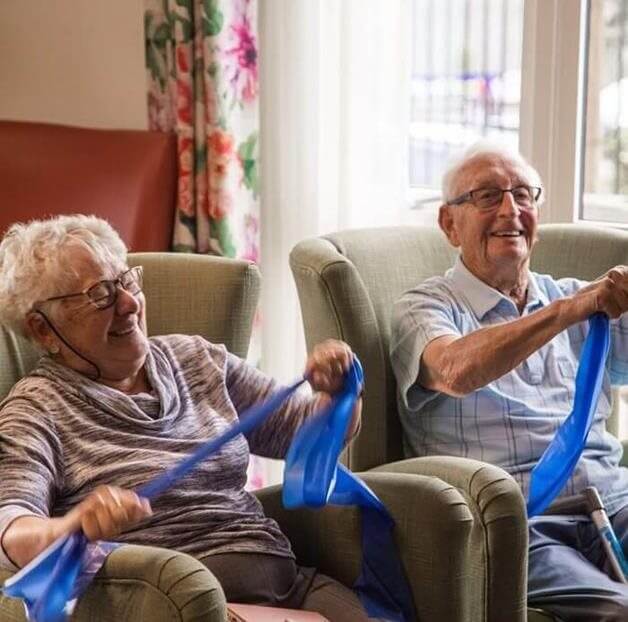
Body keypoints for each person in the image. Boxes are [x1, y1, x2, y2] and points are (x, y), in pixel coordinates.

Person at [0, 215, 367, 621]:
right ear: (44, 328)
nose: (129, 303)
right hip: (177, 603)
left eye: (126, 281)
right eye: (101, 294)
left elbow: (306, 436)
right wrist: (72, 526)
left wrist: (339, 391)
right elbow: (12, 529)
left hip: (286, 581)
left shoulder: (196, 358)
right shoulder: (36, 410)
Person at [390, 143, 628, 621]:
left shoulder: (578, 301)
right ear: (448, 223)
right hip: (519, 525)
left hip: (616, 503)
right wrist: (565, 313)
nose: (510, 210)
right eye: (486, 196)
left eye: (522, 194)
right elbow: (454, 370)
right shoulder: (423, 308)